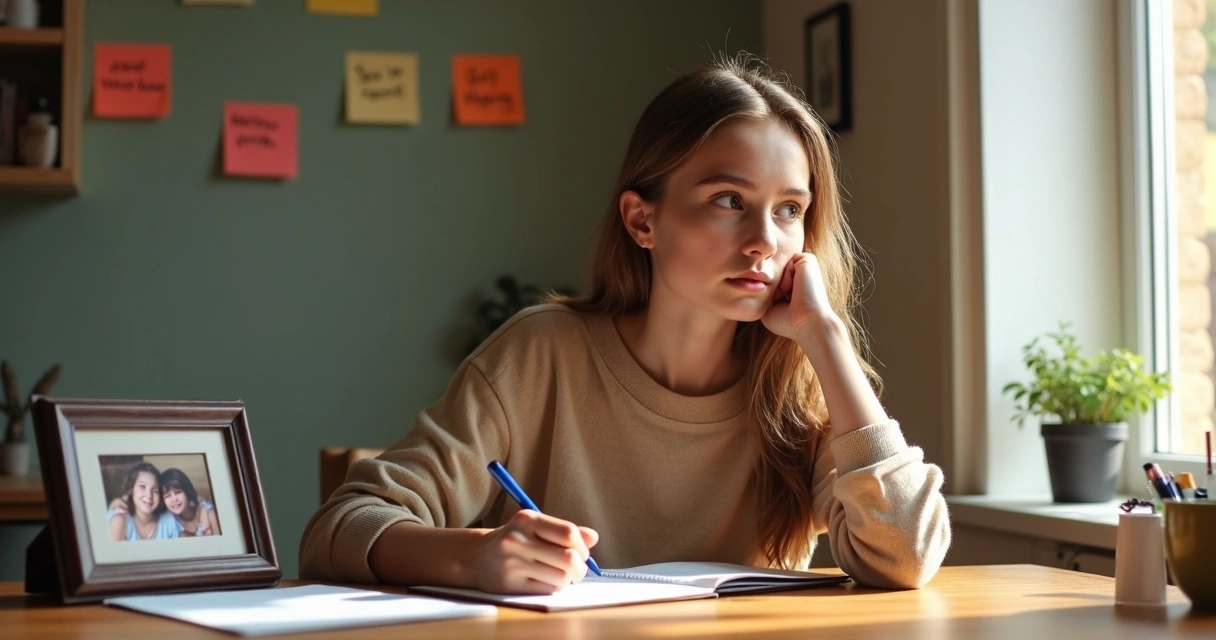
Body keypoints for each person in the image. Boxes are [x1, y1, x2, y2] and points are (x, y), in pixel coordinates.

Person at [299, 53, 951, 594]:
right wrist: (473, 557)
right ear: (642, 220)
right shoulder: (540, 354)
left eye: (788, 210)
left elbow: (906, 557)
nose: (763, 241)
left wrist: (826, 340)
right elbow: (337, 530)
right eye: (729, 200)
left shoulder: (802, 383)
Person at [107, 462, 181, 542]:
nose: (149, 496)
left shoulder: (169, 521)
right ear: (131, 489)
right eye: (142, 487)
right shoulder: (120, 522)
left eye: (155, 490)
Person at [160, 468, 221, 536]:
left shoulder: (208, 511)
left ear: (187, 491)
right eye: (167, 496)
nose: (174, 499)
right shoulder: (167, 520)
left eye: (178, 492)